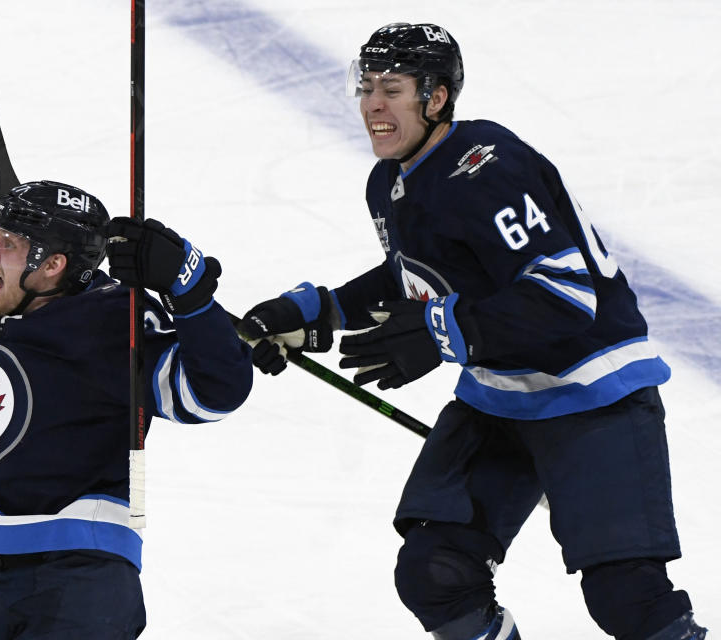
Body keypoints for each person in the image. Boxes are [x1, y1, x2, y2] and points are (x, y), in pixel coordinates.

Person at [239, 22, 707, 640]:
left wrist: (440, 332)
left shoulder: (487, 164)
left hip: (594, 392)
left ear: (436, 98)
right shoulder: (389, 182)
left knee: (628, 599)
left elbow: (566, 296)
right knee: (435, 571)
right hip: (499, 398)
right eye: (367, 87)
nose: (373, 105)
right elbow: (418, 274)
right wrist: (317, 312)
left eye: (394, 89)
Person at [0, 150, 252, 639]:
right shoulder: (1, 304)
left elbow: (212, 393)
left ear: (52, 265)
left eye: (6, 241)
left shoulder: (112, 320)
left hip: (78, 576)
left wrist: (189, 290)